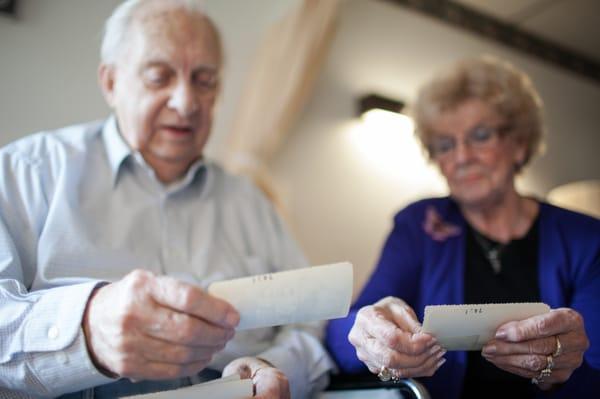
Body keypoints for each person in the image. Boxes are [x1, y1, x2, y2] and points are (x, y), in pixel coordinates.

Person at [0, 1, 333, 397]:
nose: (186, 103)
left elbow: (312, 322)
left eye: (204, 80)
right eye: (160, 77)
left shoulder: (252, 202)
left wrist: (274, 367)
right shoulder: (27, 172)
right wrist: (87, 332)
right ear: (111, 83)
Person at [326, 56, 599, 398]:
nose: (461, 156)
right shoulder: (419, 226)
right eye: (445, 144)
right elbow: (341, 332)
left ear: (519, 143)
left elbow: (596, 364)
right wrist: (367, 331)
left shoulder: (587, 238)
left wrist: (561, 371)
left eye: (480, 135)